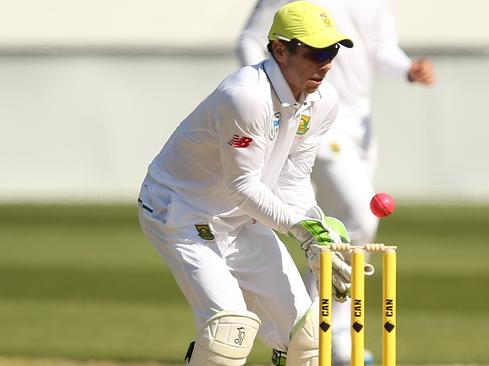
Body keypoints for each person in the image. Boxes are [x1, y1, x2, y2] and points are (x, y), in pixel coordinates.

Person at [137, 2, 359, 365]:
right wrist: (302, 232)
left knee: (305, 339)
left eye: (332, 50)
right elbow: (242, 185)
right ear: (280, 50)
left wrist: (317, 234)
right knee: (229, 332)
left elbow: (294, 178)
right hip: (182, 212)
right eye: (315, 51)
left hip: (242, 218)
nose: (327, 62)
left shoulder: (323, 100)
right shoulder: (246, 96)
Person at [237, 1, 435, 364]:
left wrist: (408, 68)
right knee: (360, 216)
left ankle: (311, 332)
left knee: (341, 225)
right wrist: (272, 93)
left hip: (358, 122)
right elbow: (250, 40)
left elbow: (380, 47)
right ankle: (332, 335)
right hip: (306, 110)